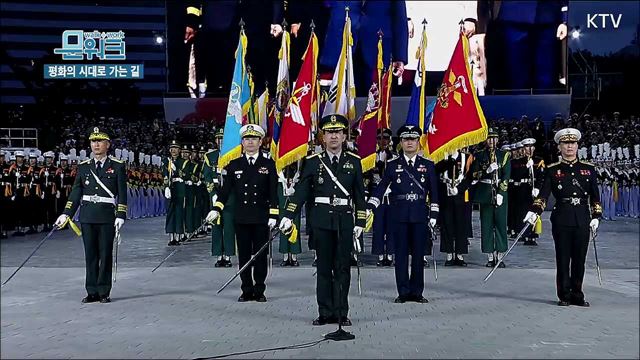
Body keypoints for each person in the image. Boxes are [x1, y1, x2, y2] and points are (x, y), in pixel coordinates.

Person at [279, 114, 366, 326]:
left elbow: (359, 195)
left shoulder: (354, 162)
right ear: (323, 137)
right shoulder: (312, 162)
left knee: (343, 269)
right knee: (324, 268)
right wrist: (288, 215)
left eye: (338, 132)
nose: (334, 136)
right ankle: (325, 312)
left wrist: (360, 222)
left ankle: (341, 313)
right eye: (329, 132)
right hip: (321, 221)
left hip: (344, 220)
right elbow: (301, 192)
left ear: (345, 136)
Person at [524, 128, 601, 307]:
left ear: (577, 146)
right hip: (562, 218)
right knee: (563, 258)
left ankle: (577, 294)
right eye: (566, 144)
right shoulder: (553, 170)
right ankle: (564, 295)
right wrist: (534, 211)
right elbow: (543, 195)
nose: (570, 147)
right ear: (559, 147)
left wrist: (597, 215)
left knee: (580, 259)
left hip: (582, 218)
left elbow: (595, 196)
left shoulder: (588, 169)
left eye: (572, 143)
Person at [54, 127, 127, 304]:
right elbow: (76, 192)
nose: (96, 144)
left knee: (105, 254)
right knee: (91, 255)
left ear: (107, 145)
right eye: (93, 141)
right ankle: (91, 290)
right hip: (87, 217)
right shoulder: (84, 167)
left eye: (100, 141)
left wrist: (121, 214)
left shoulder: (117, 166)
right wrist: (66, 213)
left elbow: (122, 193)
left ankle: (103, 291)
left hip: (106, 216)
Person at [206, 124, 278, 303]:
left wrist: (274, 215)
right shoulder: (234, 165)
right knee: (244, 255)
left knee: (260, 256)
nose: (250, 142)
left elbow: (273, 192)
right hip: (242, 217)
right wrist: (216, 208)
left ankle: (259, 289)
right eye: (247, 139)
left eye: (254, 138)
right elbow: (225, 191)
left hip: (261, 217)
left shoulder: (268, 164)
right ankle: (246, 289)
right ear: (242, 143)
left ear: (260, 142)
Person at [367, 125, 439, 303]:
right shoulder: (392, 166)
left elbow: (435, 193)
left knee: (418, 255)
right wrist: (370, 206)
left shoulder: (428, 165)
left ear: (418, 142)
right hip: (398, 215)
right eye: (406, 139)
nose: (409, 142)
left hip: (420, 214)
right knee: (400, 255)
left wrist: (434, 215)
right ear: (401, 142)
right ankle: (403, 292)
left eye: (412, 139)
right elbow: (381, 188)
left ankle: (417, 292)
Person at [469, 128, 511, 267]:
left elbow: (506, 176)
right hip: (485, 193)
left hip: (499, 194)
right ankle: (489, 255)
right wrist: (485, 171)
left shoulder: (504, 155)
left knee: (500, 224)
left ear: (498, 140)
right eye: (489, 138)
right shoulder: (479, 155)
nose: (492, 141)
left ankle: (500, 254)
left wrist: (501, 193)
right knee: (486, 225)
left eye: (494, 138)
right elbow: (474, 174)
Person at [204, 129, 236, 267]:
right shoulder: (210, 157)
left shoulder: (234, 156)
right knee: (217, 226)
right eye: (218, 139)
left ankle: (228, 255)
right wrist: (212, 194)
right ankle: (219, 255)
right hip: (216, 196)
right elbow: (207, 177)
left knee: (228, 227)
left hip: (230, 198)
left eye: (223, 138)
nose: (221, 141)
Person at [436, 149, 471, 266]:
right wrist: (448, 162)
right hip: (445, 192)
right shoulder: (442, 155)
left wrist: (459, 189)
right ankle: (449, 253)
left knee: (461, 224)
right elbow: (436, 170)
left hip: (460, 194)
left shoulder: (465, 157)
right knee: (447, 223)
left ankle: (460, 254)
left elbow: (470, 177)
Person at [163, 140, 187, 246]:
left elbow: (184, 174)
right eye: (172, 148)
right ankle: (171, 236)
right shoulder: (166, 161)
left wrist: (175, 170)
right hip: (171, 189)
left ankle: (177, 236)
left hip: (180, 190)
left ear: (179, 150)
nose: (173, 150)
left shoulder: (183, 161)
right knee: (170, 213)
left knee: (178, 213)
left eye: (176, 148)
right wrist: (166, 187)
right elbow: (165, 175)